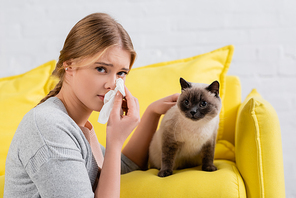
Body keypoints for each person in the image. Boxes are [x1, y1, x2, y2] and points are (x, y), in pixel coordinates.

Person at [4, 13, 179, 198]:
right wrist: (114, 141)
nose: (112, 84)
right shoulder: (49, 125)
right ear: (69, 65)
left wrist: (152, 113)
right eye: (101, 69)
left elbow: (124, 169)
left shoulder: (77, 126)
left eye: (121, 73)